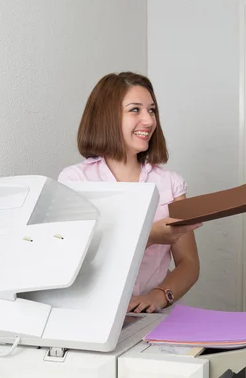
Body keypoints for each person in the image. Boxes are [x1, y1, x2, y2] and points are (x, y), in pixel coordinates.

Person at [58, 72, 201, 314]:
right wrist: (151, 237)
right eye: (135, 110)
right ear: (107, 116)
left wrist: (158, 296)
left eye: (152, 110)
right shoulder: (75, 181)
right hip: (92, 315)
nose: (148, 120)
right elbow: (76, 260)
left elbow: (189, 264)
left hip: (157, 317)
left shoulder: (171, 184)